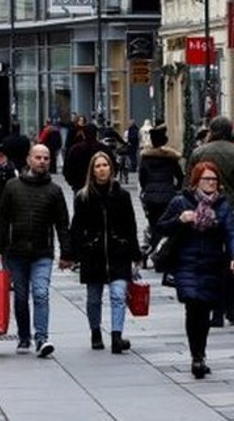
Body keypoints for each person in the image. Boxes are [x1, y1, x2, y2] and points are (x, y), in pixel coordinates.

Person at [156, 161, 234, 379]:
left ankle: (200, 353)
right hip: (186, 262)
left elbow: (232, 233)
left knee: (203, 311)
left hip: (212, 264)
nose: (211, 183)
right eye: (206, 179)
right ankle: (196, 356)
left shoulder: (223, 205)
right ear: (196, 180)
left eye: (214, 179)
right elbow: (161, 226)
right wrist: (180, 219)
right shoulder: (181, 201)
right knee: (192, 306)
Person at [0, 144, 70, 358]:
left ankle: (42, 338)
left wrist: (66, 253)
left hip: (42, 252)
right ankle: (24, 335)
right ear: (29, 160)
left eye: (46, 158)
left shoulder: (54, 191)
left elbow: (62, 224)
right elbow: (2, 220)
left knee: (41, 293)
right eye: (38, 157)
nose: (42, 161)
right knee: (20, 296)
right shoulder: (12, 187)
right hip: (15, 252)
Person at [65, 151, 142, 353]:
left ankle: (116, 336)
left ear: (111, 168)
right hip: (94, 254)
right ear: (92, 171)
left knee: (118, 295)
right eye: (97, 166)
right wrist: (71, 253)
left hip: (119, 252)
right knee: (93, 298)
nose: (102, 169)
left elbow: (131, 225)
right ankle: (96, 332)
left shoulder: (122, 195)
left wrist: (135, 253)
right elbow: (77, 227)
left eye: (105, 165)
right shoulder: (83, 197)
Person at [187, 116, 234, 326]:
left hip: (205, 212)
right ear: (230, 131)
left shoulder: (199, 153)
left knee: (210, 262)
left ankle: (215, 311)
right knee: (233, 260)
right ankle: (232, 309)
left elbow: (189, 185)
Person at [137, 124, 185, 254]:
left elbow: (142, 177)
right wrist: (176, 189)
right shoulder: (170, 158)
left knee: (154, 224)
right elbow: (180, 176)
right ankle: (163, 251)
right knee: (167, 223)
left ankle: (152, 250)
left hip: (151, 196)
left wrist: (146, 188)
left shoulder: (145, 158)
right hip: (168, 195)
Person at [63, 125, 110, 193]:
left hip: (79, 185)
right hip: (101, 186)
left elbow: (67, 167)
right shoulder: (104, 149)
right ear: (96, 134)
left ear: (83, 134)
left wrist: (72, 182)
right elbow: (113, 165)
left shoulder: (75, 149)